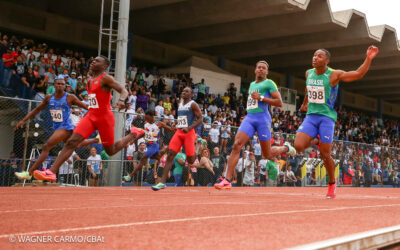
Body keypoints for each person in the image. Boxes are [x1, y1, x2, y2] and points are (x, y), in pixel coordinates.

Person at [33, 56, 139, 182]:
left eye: (97, 61)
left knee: (110, 151)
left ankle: (133, 134)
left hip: (104, 118)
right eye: (93, 60)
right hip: (90, 116)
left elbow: (124, 90)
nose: (93, 61)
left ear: (104, 66)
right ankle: (51, 172)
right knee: (71, 142)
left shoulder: (105, 78)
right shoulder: (90, 80)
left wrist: (121, 100)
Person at [294, 46, 379, 198]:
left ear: (327, 60)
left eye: (319, 56)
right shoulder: (309, 73)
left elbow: (358, 74)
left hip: (326, 118)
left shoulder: (333, 75)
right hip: (311, 116)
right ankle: (316, 140)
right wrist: (305, 102)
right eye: (314, 55)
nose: (315, 58)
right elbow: (308, 88)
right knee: (298, 145)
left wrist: (368, 58)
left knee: (325, 155)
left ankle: (332, 184)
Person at [214, 60, 296, 190]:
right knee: (236, 145)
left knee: (267, 154)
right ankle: (227, 180)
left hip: (263, 119)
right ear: (255, 70)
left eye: (264, 68)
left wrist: (261, 98)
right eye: (259, 67)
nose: (261, 69)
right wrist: (247, 113)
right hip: (250, 118)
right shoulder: (252, 84)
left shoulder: (269, 83)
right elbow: (252, 103)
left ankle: (285, 147)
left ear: (267, 72)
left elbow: (279, 103)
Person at [14, 77, 98, 180]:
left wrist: (98, 109)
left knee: (46, 146)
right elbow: (36, 110)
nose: (60, 85)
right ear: (54, 85)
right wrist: (23, 120)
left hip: (66, 127)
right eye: (58, 83)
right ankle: (96, 140)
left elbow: (85, 106)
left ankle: (29, 173)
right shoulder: (49, 98)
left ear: (65, 86)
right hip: (57, 127)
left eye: (62, 84)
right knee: (77, 144)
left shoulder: (70, 97)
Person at [151, 87, 203, 190]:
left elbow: (200, 119)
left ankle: (198, 146)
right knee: (170, 155)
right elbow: (181, 118)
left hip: (189, 133)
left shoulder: (193, 104)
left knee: (191, 160)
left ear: (191, 94)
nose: (184, 92)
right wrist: (175, 123)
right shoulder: (180, 103)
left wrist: (189, 128)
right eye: (183, 91)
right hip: (179, 132)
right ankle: (162, 182)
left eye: (186, 91)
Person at [122, 110, 175, 183]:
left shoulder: (158, 124)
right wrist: (134, 140)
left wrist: (175, 126)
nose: (146, 119)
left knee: (143, 159)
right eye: (145, 118)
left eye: (147, 118)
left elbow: (171, 129)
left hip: (154, 145)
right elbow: (144, 134)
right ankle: (167, 149)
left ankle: (129, 176)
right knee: (158, 157)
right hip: (148, 145)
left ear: (152, 117)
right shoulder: (146, 124)